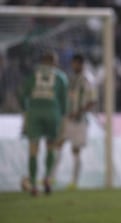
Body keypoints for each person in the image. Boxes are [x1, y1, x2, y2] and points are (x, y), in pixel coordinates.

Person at [20, 51, 68, 196]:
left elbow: (23, 96)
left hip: (34, 113)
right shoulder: (60, 76)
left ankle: (34, 184)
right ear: (54, 62)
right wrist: (63, 119)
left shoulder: (33, 75)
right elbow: (64, 102)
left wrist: (26, 112)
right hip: (52, 113)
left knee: (33, 148)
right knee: (51, 146)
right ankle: (47, 177)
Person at [52, 53, 97, 190]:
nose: (74, 65)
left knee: (75, 150)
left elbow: (92, 101)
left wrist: (78, 112)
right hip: (67, 118)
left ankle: (74, 182)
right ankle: (52, 177)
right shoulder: (70, 78)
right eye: (73, 63)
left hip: (79, 120)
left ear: (81, 64)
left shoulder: (87, 79)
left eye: (77, 63)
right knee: (58, 145)